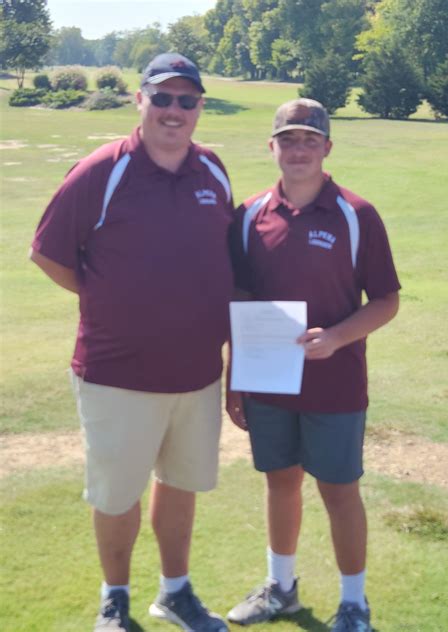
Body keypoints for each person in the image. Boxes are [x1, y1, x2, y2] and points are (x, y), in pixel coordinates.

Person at [30, 53, 233, 632]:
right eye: (162, 98)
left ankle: (175, 592)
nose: (174, 111)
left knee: (182, 484)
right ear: (139, 100)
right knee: (117, 494)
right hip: (118, 371)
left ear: (199, 107)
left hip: (196, 372)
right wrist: (104, 296)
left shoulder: (212, 170)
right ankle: (114, 599)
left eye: (186, 100)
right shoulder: (103, 170)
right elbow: (47, 253)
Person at [226, 98, 400, 632]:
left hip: (335, 383)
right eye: (288, 140)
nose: (298, 150)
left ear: (327, 147)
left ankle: (354, 604)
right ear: (271, 146)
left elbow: (386, 300)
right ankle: (281, 589)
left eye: (309, 140)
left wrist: (339, 336)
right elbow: (241, 300)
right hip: (267, 383)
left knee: (339, 491)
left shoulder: (356, 214)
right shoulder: (249, 216)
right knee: (280, 482)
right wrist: (235, 377)